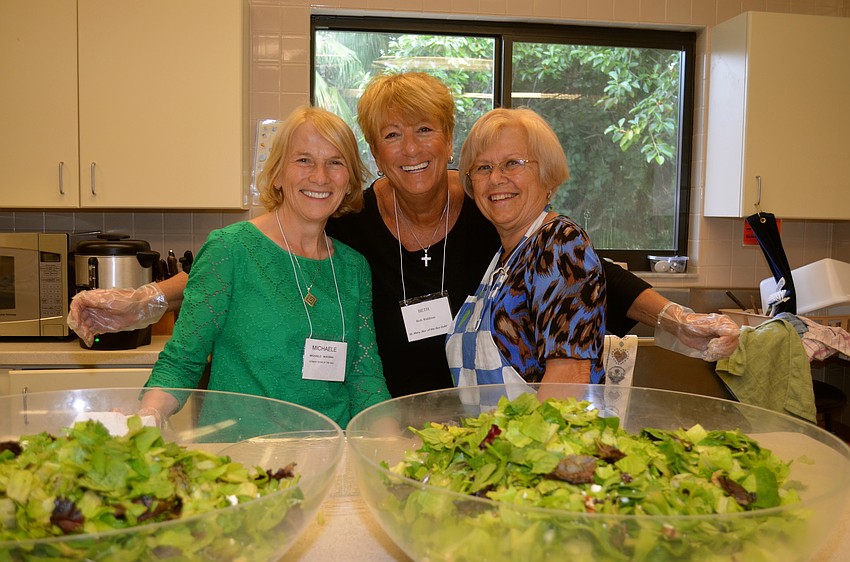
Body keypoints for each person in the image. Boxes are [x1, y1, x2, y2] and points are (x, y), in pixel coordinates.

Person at [67, 72, 739, 397]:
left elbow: (584, 270)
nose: (412, 147)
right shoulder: (352, 212)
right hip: (383, 407)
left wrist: (677, 313)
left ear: (449, 138)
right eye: (392, 134)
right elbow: (252, 252)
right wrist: (149, 297)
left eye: (426, 130)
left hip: (478, 415)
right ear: (375, 148)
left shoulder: (485, 205)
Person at [133, 106, 390, 428]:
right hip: (242, 459)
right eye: (304, 160)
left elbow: (364, 376)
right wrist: (148, 418)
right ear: (279, 172)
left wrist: (389, 448)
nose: (320, 176)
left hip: (329, 454)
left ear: (350, 179)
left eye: (335, 162)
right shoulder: (231, 249)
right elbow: (183, 360)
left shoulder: (353, 267)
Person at [447, 107, 606, 386]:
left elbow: (568, 379)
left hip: (550, 428)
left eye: (512, 163)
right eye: (483, 167)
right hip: (496, 429)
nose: (496, 179)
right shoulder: (504, 256)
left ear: (546, 173)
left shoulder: (560, 244)